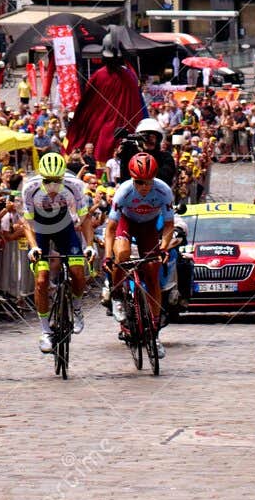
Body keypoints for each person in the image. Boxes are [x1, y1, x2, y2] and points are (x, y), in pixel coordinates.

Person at [105, 152, 176, 358]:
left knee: (152, 271)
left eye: (148, 182)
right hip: (127, 223)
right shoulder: (124, 192)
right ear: (132, 179)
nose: (144, 186)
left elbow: (169, 225)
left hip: (148, 227)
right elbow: (111, 228)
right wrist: (108, 256)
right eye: (139, 182)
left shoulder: (163, 191)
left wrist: (163, 247)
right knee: (123, 254)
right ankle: (117, 296)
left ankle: (153, 334)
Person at [20, 151, 92, 353]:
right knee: (42, 280)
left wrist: (89, 245)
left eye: (56, 181)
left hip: (64, 227)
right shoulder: (30, 188)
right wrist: (34, 246)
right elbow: (26, 222)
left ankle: (77, 308)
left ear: (63, 177)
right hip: (39, 228)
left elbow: (84, 218)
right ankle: (45, 332)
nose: (52, 186)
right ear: (41, 177)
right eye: (48, 181)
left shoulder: (75, 186)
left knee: (78, 271)